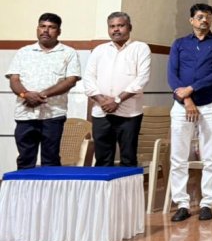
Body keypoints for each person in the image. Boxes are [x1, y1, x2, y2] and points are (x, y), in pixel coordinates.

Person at [167, 3, 212, 222]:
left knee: (209, 156)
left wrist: (192, 89)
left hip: (210, 105)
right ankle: (182, 203)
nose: (205, 20)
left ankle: (207, 203)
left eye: (208, 17)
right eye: (201, 17)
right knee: (178, 157)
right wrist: (186, 99)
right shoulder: (180, 44)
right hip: (181, 106)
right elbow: (172, 76)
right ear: (191, 20)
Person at [6, 13, 81, 169]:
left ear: (59, 31)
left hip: (53, 114)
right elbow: (14, 80)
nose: (46, 30)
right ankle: (24, 186)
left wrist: (42, 95)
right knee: (25, 159)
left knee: (51, 159)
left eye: (51, 27)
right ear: (37, 29)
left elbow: (70, 81)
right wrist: (25, 95)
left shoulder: (68, 53)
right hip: (25, 113)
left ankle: (50, 187)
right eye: (42, 26)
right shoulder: (24, 52)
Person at [83, 12, 152, 167]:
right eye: (112, 26)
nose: (116, 29)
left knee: (128, 158)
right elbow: (88, 79)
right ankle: (103, 184)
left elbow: (142, 79)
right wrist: (102, 100)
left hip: (129, 113)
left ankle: (128, 185)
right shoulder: (99, 50)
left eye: (120, 25)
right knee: (102, 159)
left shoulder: (140, 48)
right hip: (101, 112)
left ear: (130, 27)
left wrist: (117, 100)